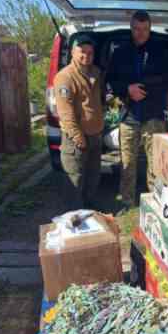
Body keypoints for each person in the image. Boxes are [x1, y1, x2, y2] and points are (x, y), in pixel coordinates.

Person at [106, 10, 168, 212]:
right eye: (136, 28)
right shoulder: (120, 52)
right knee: (127, 162)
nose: (140, 33)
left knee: (156, 163)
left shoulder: (161, 51)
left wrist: (145, 88)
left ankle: (155, 201)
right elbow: (111, 80)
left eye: (144, 29)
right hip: (128, 116)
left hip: (154, 115)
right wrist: (127, 89)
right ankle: (127, 202)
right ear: (131, 28)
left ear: (150, 29)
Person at [54, 34, 105, 210]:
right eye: (82, 51)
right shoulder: (65, 77)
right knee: (75, 178)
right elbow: (65, 113)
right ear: (73, 53)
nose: (86, 56)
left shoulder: (96, 72)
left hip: (95, 135)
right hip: (76, 138)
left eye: (90, 52)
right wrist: (77, 136)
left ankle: (89, 210)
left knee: (93, 176)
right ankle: (74, 215)